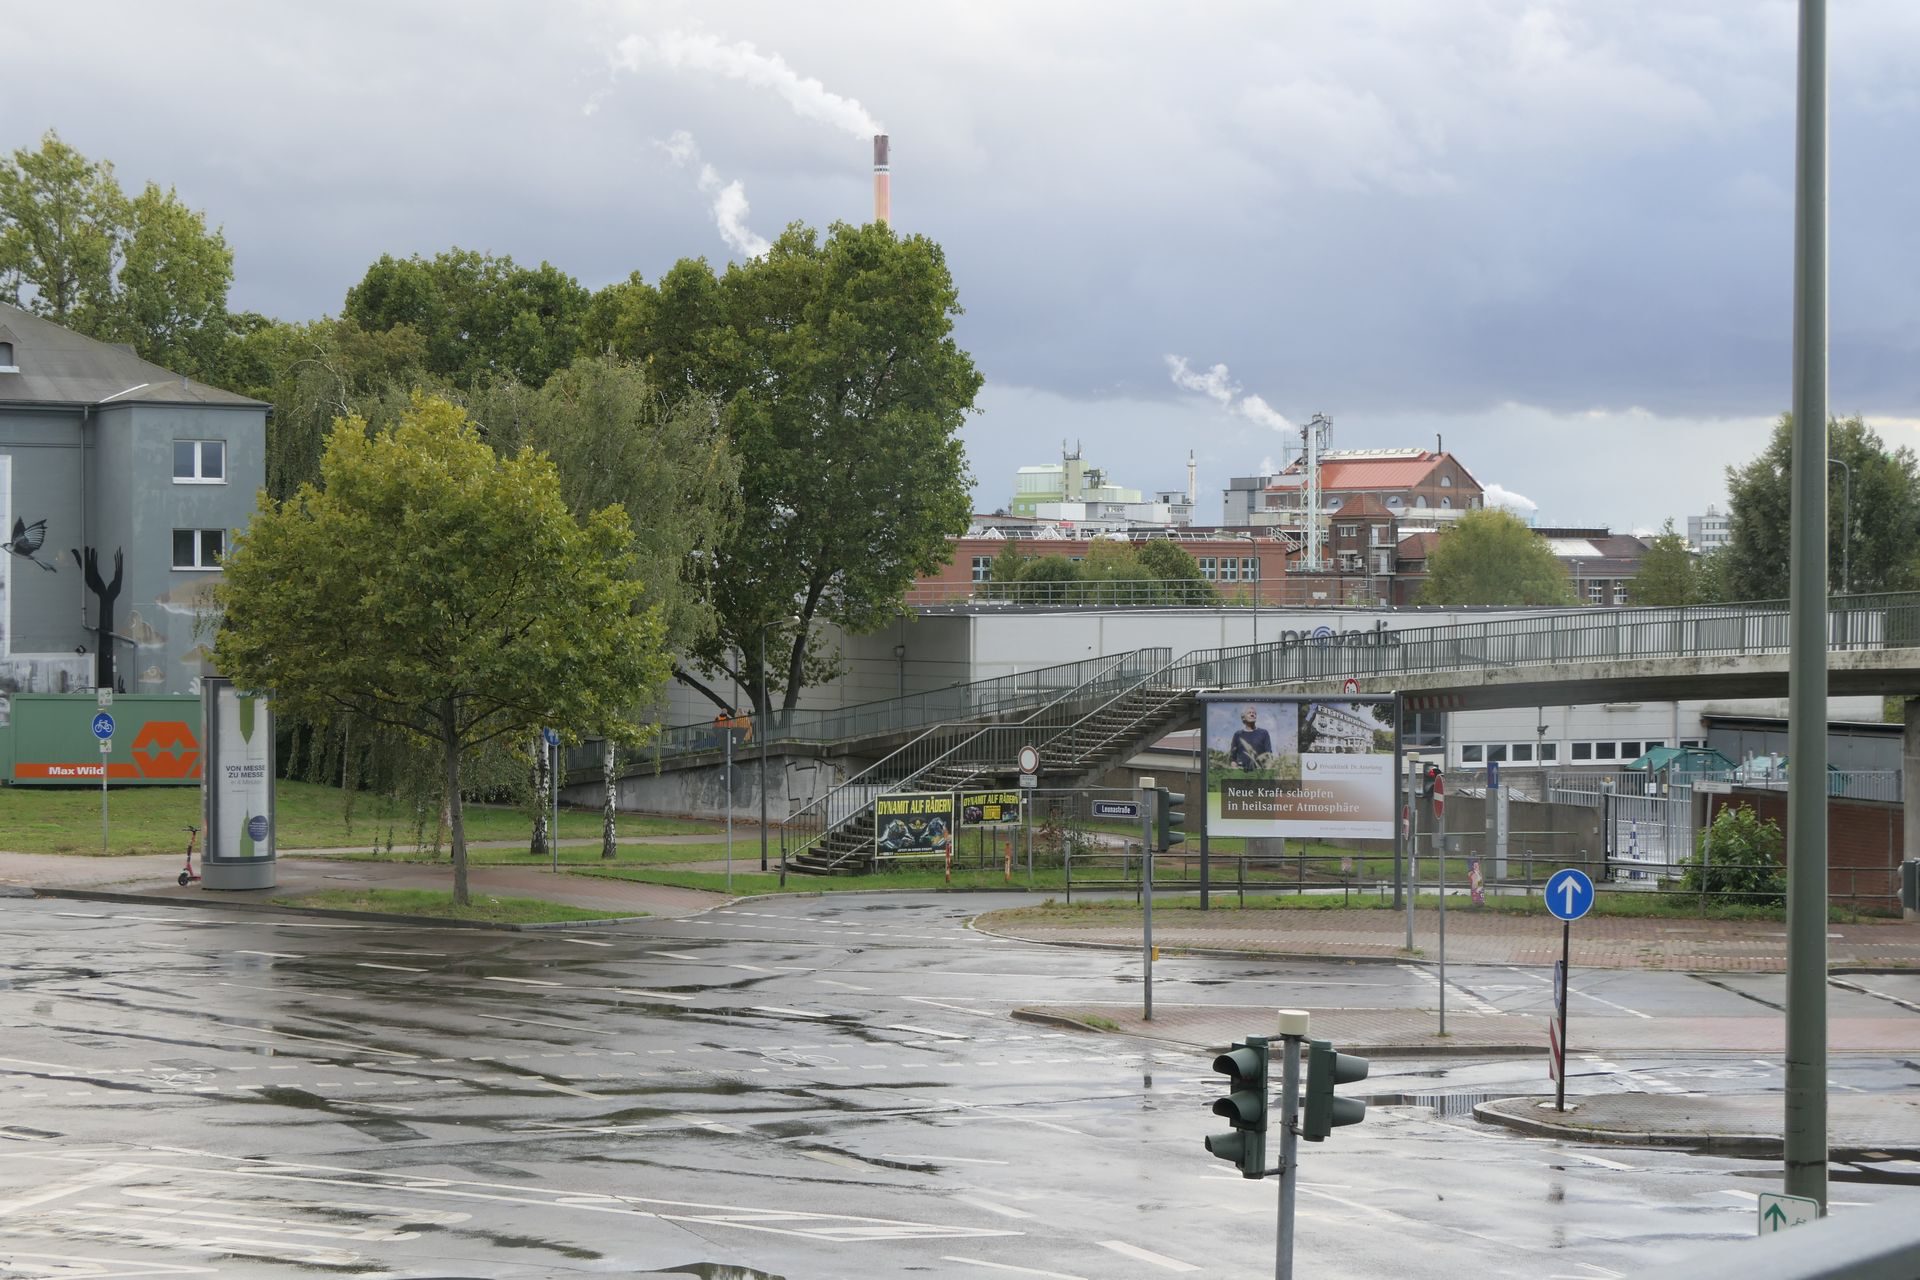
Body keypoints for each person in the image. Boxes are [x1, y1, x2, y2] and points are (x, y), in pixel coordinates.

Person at [1228, 705, 1275, 771]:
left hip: (1260, 773)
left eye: (1254, 713)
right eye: (1249, 713)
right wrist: (1236, 772)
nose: (1252, 714)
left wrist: (1266, 773)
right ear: (1243, 717)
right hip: (1242, 774)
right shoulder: (1237, 735)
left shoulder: (1264, 733)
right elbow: (1233, 758)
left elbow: (1269, 755)